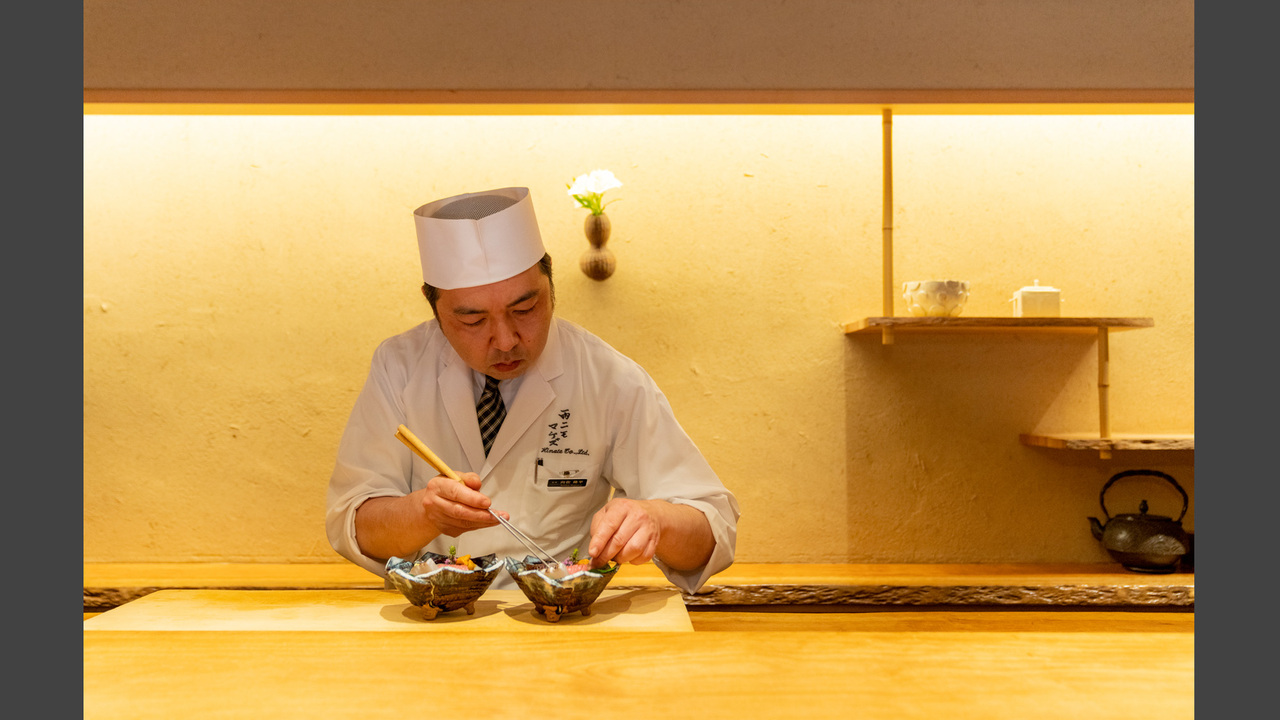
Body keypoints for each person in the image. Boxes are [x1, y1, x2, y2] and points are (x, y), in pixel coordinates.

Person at [326, 186, 739, 592]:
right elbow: (354, 525)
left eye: (525, 309)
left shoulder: (609, 377)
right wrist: (424, 514)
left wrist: (657, 520)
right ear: (433, 306)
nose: (505, 340)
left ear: (551, 284)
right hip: (433, 620)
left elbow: (711, 533)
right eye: (473, 321)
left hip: (557, 620)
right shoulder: (399, 367)